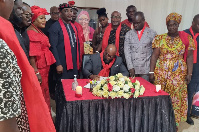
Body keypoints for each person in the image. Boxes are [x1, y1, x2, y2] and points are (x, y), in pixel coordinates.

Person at [0, 0, 55, 132]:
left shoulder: (20, 31)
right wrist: (35, 72)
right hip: (26, 82)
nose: (26, 15)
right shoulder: (9, 30)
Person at [149, 13, 195, 129]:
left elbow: (189, 57)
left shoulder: (186, 38)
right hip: (160, 73)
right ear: (167, 25)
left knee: (175, 98)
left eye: (174, 24)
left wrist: (189, 73)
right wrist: (151, 72)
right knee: (160, 97)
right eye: (170, 25)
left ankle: (173, 123)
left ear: (178, 25)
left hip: (178, 74)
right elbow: (154, 56)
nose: (172, 27)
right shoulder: (160, 38)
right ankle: (158, 121)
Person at [27, 6, 56, 110]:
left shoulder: (37, 30)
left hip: (43, 67)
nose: (44, 20)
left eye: (44, 18)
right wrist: (36, 72)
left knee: (45, 91)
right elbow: (32, 55)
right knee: (41, 93)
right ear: (34, 19)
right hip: (39, 68)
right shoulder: (31, 33)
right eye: (41, 18)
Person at [49, 3, 81, 80]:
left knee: (73, 85)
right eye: (66, 11)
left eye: (71, 11)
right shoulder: (55, 27)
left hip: (74, 63)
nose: (70, 13)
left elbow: (77, 45)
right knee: (62, 88)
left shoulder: (73, 27)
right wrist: (58, 64)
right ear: (60, 13)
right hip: (62, 64)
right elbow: (53, 47)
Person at [124, 12, 157, 81]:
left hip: (146, 69)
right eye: (134, 23)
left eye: (138, 23)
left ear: (143, 20)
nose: (135, 25)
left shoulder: (152, 33)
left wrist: (151, 71)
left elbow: (155, 53)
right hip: (133, 68)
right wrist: (130, 67)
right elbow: (127, 52)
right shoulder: (129, 34)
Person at [184, 14, 199, 125]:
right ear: (193, 22)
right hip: (183, 67)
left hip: (196, 68)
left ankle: (187, 115)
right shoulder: (183, 33)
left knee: (190, 92)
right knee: (180, 91)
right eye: (198, 24)